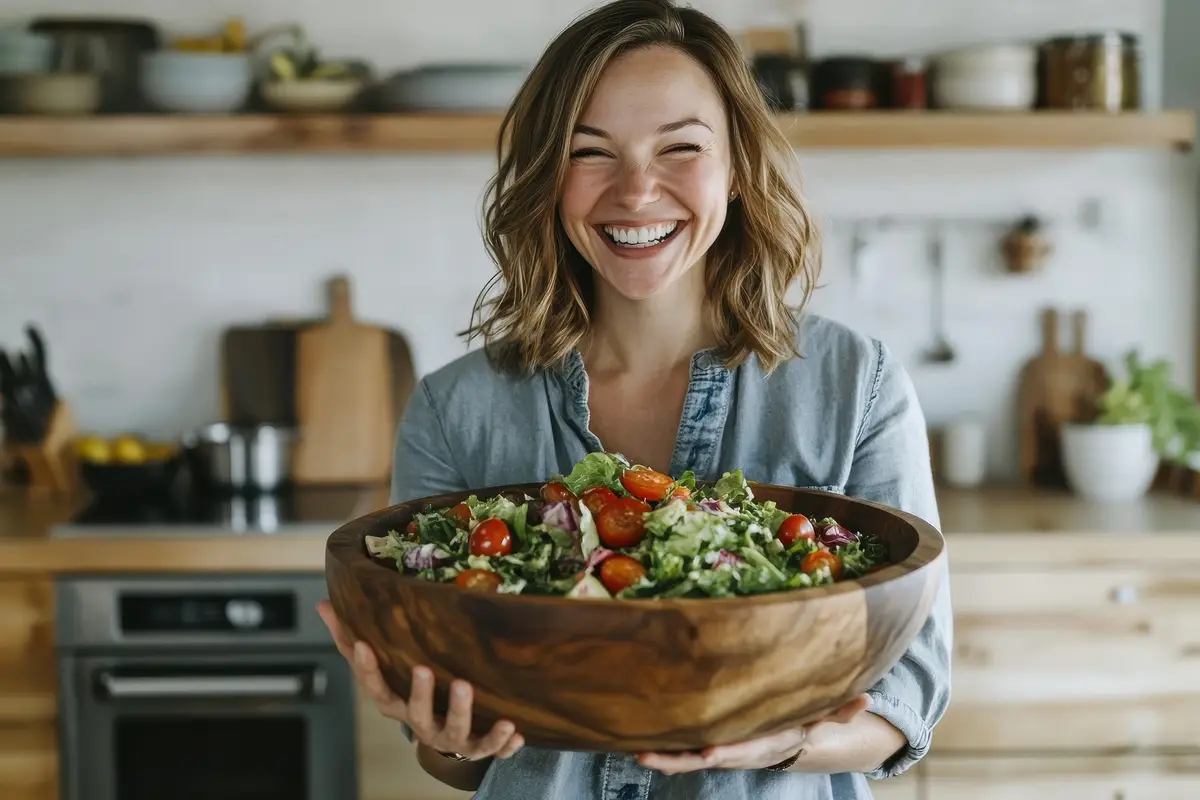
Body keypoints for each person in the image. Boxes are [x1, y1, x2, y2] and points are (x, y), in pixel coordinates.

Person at [317, 0, 953, 797]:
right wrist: (443, 737)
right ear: (548, 177)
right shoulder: (457, 409)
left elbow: (907, 699)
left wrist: (782, 742)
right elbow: (455, 753)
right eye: (591, 153)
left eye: (680, 147)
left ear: (737, 166)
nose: (637, 189)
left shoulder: (855, 385)